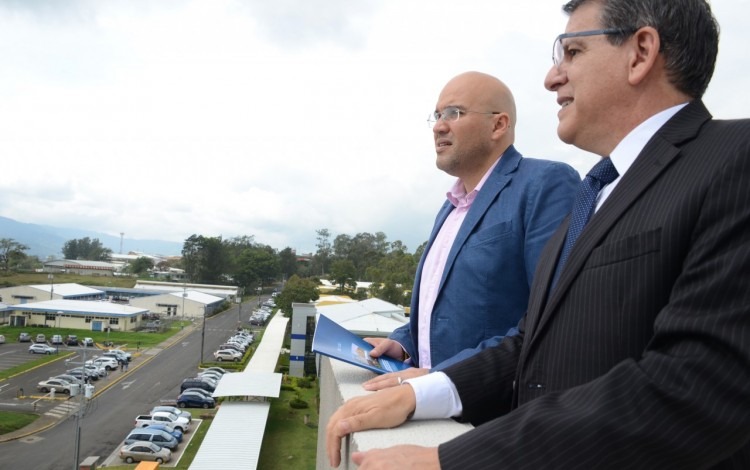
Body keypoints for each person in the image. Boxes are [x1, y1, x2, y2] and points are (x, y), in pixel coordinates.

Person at [326, 1, 750, 468]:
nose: (551, 78)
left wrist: (455, 460)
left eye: (571, 52)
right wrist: (421, 394)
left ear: (641, 51)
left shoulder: (735, 159)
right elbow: (534, 340)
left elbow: (701, 384)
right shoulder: (598, 191)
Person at [363, 71, 579, 388]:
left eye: (455, 113)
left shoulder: (545, 184)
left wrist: (439, 380)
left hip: (492, 418)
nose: (439, 125)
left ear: (498, 125)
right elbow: (439, 312)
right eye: (437, 115)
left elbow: (550, 318)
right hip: (426, 406)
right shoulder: (449, 207)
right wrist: (403, 343)